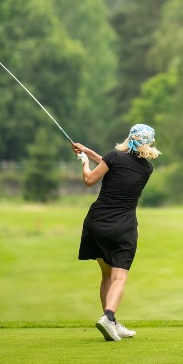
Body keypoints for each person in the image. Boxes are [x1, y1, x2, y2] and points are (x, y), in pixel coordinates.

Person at [70, 123, 160, 342]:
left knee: (107, 275)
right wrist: (87, 151)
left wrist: (84, 162)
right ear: (149, 144)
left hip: (96, 224)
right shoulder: (146, 169)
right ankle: (108, 318)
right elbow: (113, 164)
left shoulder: (114, 157)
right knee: (119, 276)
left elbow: (91, 178)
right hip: (123, 227)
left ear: (129, 138)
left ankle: (111, 323)